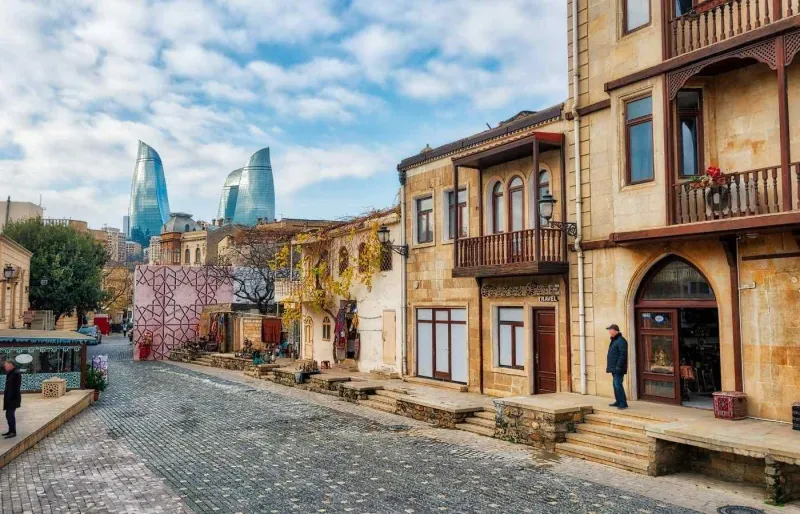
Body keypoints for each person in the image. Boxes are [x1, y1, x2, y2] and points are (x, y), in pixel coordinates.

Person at [606, 324, 629, 410]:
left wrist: (618, 366)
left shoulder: (621, 341)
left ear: (615, 331)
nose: (609, 332)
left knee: (618, 384)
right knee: (615, 384)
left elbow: (623, 355)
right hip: (614, 367)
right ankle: (618, 401)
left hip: (618, 368)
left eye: (610, 330)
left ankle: (623, 403)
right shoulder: (615, 340)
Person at [3, 359, 22, 439]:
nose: (5, 367)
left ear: (11, 365)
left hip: (13, 398)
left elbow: (15, 388)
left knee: (10, 415)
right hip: (9, 398)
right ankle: (10, 430)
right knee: (8, 415)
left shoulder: (16, 373)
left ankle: (13, 432)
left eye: (6, 365)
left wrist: (10, 398)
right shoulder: (11, 373)